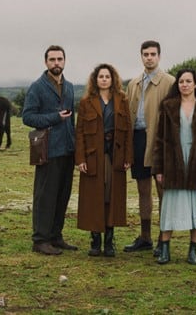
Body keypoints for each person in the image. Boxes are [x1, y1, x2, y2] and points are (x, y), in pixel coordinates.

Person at [152, 68, 196, 265]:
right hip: (173, 161)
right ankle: (165, 249)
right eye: (181, 81)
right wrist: (158, 168)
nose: (184, 84)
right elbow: (160, 139)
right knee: (170, 205)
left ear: (195, 84)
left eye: (188, 81)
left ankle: (193, 251)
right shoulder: (168, 106)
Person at [22, 45, 78, 255]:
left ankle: (56, 236)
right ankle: (40, 240)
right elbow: (28, 117)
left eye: (60, 59)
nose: (56, 63)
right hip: (46, 149)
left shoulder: (70, 87)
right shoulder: (37, 87)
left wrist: (75, 145)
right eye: (52, 59)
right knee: (45, 195)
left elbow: (71, 119)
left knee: (62, 195)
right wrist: (54, 118)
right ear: (46, 62)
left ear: (65, 61)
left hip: (67, 149)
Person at [123, 40, 175, 256]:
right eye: (145, 54)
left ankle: (164, 240)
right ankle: (145, 237)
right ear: (141, 56)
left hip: (159, 141)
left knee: (164, 190)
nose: (149, 57)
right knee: (143, 190)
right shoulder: (134, 83)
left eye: (153, 54)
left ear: (159, 56)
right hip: (137, 139)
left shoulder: (170, 83)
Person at [75, 64, 133, 257]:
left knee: (111, 198)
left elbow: (128, 132)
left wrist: (127, 157)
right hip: (93, 157)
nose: (104, 79)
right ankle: (95, 241)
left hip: (114, 156)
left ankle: (109, 242)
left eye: (107, 76)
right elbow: (80, 132)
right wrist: (80, 159)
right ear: (95, 79)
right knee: (94, 198)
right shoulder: (86, 102)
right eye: (101, 76)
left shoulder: (122, 100)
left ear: (112, 79)